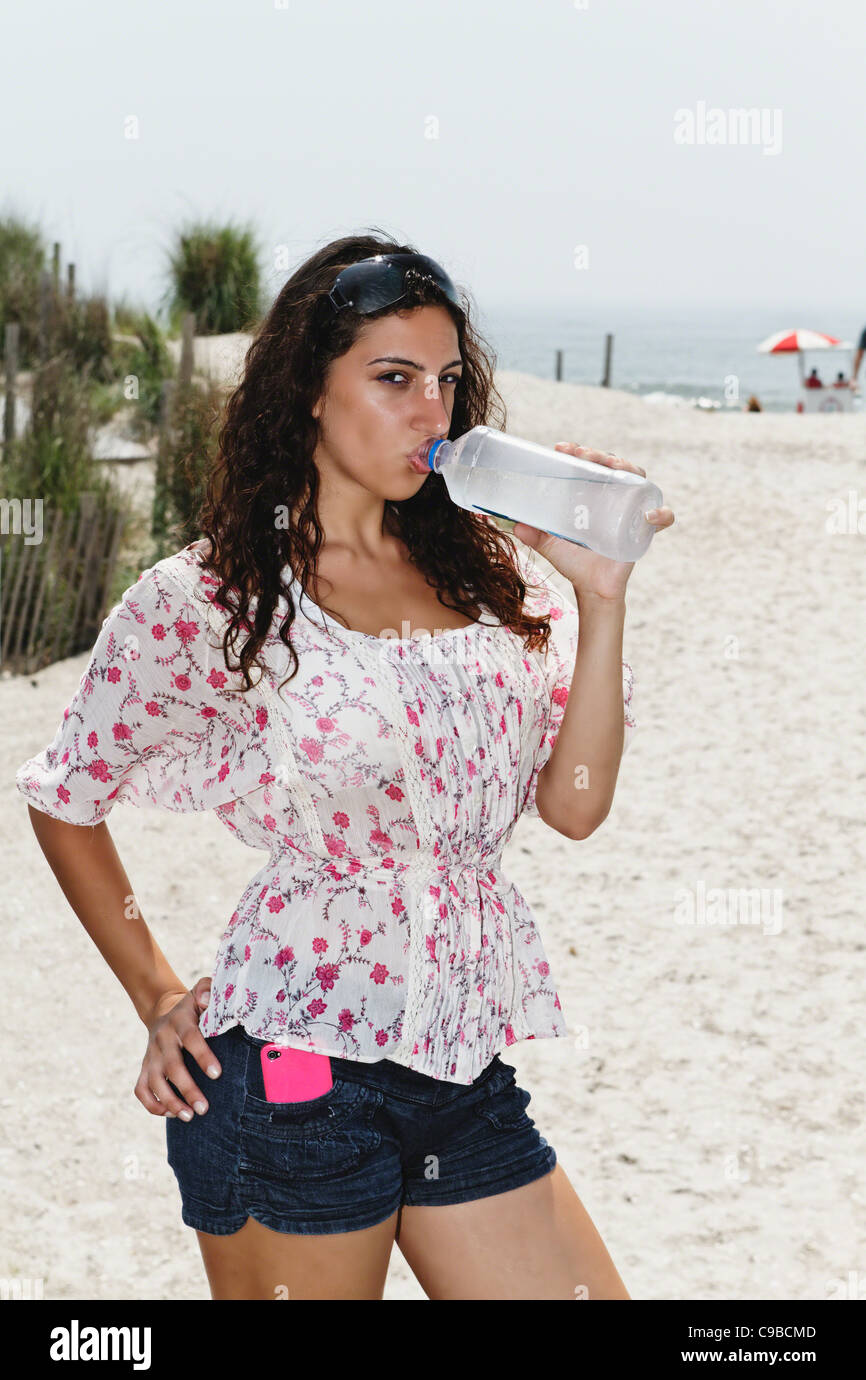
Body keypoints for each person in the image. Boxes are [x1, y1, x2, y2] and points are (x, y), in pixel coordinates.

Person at [15, 234, 673, 1301]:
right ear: (309, 393)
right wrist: (157, 993)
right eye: (393, 379)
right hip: (293, 1078)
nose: (432, 413)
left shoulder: (490, 575)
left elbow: (578, 807)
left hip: (459, 1072)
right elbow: (64, 794)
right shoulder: (218, 596)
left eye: (448, 382)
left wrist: (600, 599)